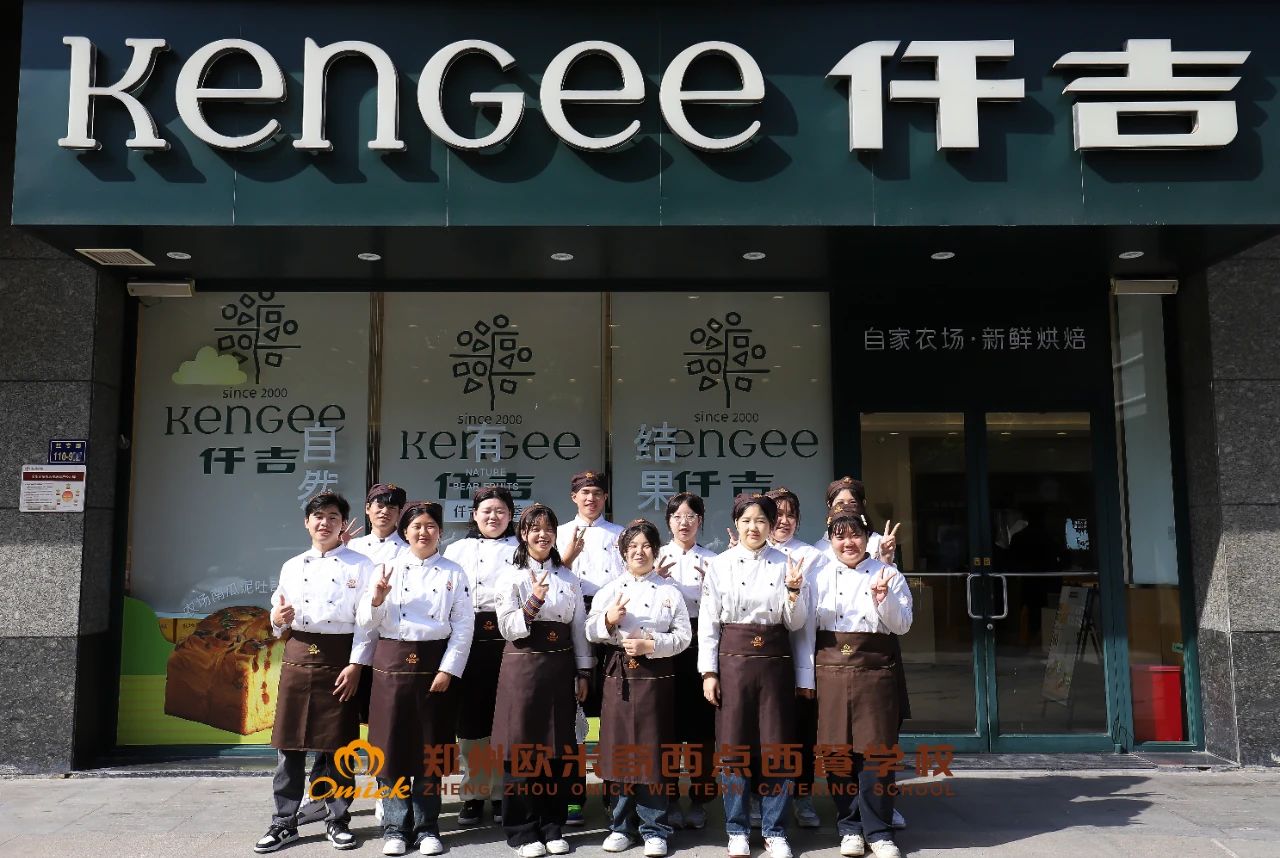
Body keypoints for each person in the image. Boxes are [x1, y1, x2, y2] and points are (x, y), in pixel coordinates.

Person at [254, 492, 376, 854]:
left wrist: (356, 664)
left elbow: (367, 622)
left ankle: (337, 819)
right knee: (289, 745)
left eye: (333, 517)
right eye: (318, 516)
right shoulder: (293, 565)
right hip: (297, 656)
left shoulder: (361, 565)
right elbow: (277, 614)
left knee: (338, 746)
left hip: (340, 657)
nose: (325, 523)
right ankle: (283, 822)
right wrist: (277, 620)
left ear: (343, 524)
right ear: (307, 522)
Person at [358, 500, 474, 856]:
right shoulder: (385, 568)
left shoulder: (454, 572)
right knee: (389, 749)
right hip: (390, 663)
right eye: (416, 526)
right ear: (404, 531)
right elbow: (365, 623)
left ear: (440, 532)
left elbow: (463, 626)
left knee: (429, 750)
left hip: (433, 664)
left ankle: (427, 828)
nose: (423, 532)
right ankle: (395, 828)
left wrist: (448, 669)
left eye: (430, 526)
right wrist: (376, 599)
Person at [699, 494, 812, 858]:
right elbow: (708, 623)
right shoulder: (720, 564)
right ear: (736, 524)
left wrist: (794, 590)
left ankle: (774, 829)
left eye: (761, 521)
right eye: (747, 520)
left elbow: (796, 622)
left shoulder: (787, 564)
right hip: (733, 661)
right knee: (733, 746)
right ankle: (736, 828)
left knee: (777, 746)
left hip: (775, 662)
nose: (754, 527)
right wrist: (709, 672)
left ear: (770, 525)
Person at [809, 505, 912, 858]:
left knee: (876, 752)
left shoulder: (888, 573)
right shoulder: (818, 576)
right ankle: (850, 827)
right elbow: (804, 629)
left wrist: (884, 600)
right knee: (837, 751)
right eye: (840, 537)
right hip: (830, 670)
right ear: (830, 541)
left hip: (875, 671)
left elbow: (902, 626)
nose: (848, 542)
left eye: (855, 535)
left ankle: (879, 832)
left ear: (868, 538)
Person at [493, 503, 594, 858]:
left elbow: (579, 628)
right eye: (534, 528)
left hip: (560, 668)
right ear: (523, 534)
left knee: (557, 749)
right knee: (522, 749)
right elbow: (508, 627)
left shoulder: (568, 577)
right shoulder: (510, 576)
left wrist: (584, 671)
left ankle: (552, 825)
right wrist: (533, 602)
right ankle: (522, 830)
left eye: (548, 528)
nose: (543, 535)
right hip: (522, 668)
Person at [588, 519, 692, 857]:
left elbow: (683, 637)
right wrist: (608, 621)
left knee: (652, 751)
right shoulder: (609, 590)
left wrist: (652, 644)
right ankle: (621, 826)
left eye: (646, 546)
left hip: (656, 677)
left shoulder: (669, 592)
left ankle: (655, 829)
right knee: (620, 750)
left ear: (656, 551)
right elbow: (589, 630)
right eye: (632, 546)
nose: (639, 552)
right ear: (623, 553)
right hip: (618, 675)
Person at [444, 486, 520, 827]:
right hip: (468, 637)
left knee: (504, 717)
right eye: (486, 511)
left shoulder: (521, 549)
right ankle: (473, 793)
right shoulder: (456, 550)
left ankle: (502, 793)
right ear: (474, 515)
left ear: (510, 515)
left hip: (509, 638)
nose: (493, 517)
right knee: (471, 721)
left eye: (501, 511)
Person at [556, 469, 624, 825]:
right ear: (574, 497)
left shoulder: (621, 535)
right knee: (571, 716)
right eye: (584, 493)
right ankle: (572, 796)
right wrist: (566, 558)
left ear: (605, 497)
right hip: (569, 624)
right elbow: (547, 578)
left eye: (597, 493)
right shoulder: (557, 533)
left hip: (610, 624)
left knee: (613, 713)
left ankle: (615, 793)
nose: (591, 499)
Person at [654, 492, 717, 830]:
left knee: (701, 730)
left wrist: (710, 588)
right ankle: (668, 798)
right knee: (666, 727)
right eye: (677, 516)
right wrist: (655, 581)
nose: (684, 522)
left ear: (700, 521)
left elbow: (722, 610)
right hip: (664, 648)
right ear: (668, 522)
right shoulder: (656, 556)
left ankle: (700, 799)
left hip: (700, 643)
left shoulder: (713, 560)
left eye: (691, 516)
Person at [764, 487, 825, 830]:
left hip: (799, 651)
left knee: (801, 731)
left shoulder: (811, 556)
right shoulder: (752, 552)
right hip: (761, 657)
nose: (783, 521)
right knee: (763, 732)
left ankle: (802, 795)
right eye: (777, 514)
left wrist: (806, 673)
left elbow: (812, 618)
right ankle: (760, 795)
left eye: (791, 515)